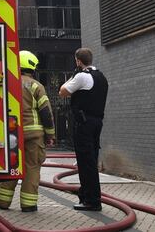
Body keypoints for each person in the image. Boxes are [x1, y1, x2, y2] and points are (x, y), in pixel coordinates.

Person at [0, 50, 55, 212]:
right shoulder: (36, 86)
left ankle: (3, 202)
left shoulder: (7, 83)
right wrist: (50, 134)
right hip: (34, 135)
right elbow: (46, 113)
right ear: (31, 67)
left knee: (11, 167)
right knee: (32, 168)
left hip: (11, 134)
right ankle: (28, 205)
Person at [59, 47, 109, 212]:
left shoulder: (81, 76)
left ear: (78, 61)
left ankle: (91, 201)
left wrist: (72, 77)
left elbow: (63, 91)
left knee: (85, 162)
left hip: (84, 124)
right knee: (91, 161)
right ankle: (89, 196)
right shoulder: (101, 76)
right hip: (97, 123)